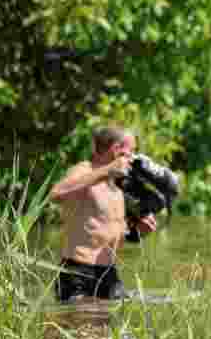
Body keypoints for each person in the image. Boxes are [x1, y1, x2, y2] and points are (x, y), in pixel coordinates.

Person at [49, 125, 157, 302]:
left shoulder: (116, 186)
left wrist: (139, 231)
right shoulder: (85, 170)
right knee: (83, 327)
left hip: (109, 275)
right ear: (117, 150)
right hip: (78, 273)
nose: (133, 157)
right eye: (132, 151)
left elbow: (111, 233)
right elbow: (56, 193)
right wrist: (106, 171)